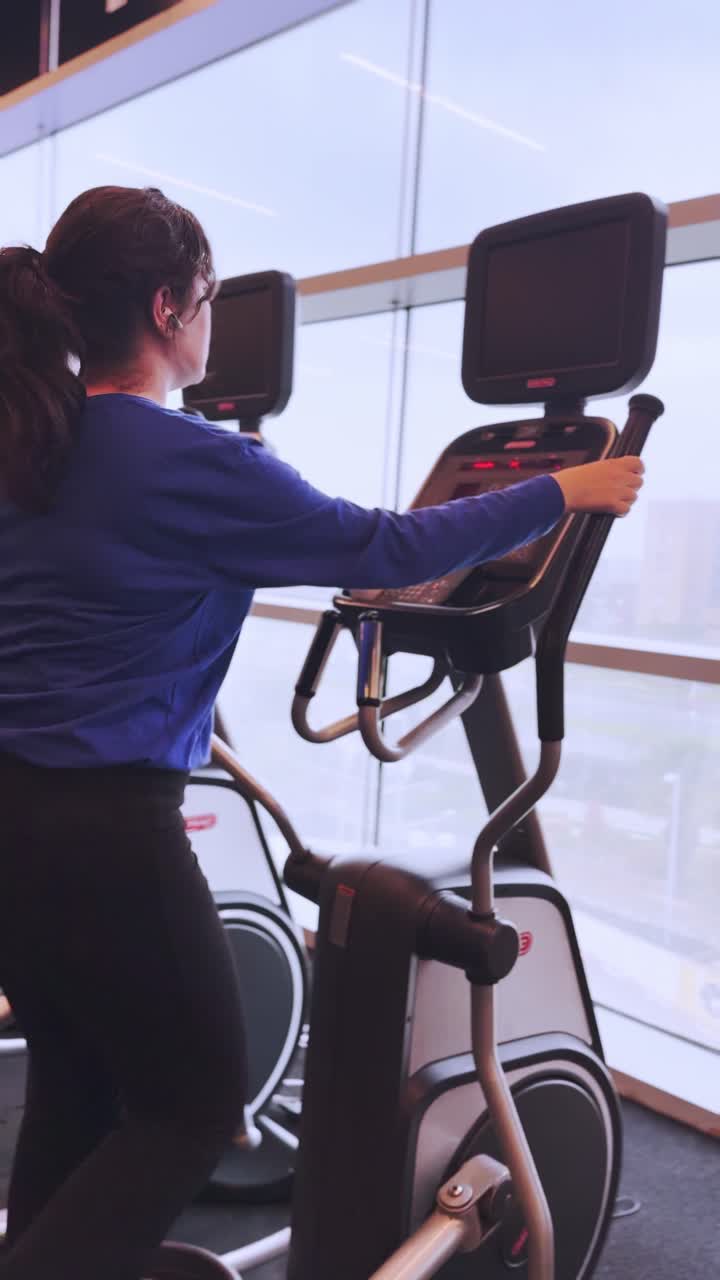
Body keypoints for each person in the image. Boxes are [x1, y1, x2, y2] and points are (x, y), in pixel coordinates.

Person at [0, 185, 644, 1280]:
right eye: (206, 298)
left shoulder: (32, 435)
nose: (209, 319)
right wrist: (565, 486)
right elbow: (384, 546)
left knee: (76, 1069)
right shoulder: (194, 460)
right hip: (108, 832)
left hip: (13, 817)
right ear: (169, 308)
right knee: (192, 1103)